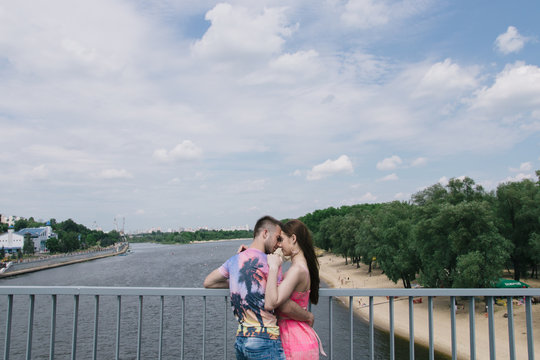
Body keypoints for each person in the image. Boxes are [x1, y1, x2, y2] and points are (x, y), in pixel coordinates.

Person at [204, 215, 314, 360]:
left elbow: (208, 282)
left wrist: (237, 281)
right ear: (265, 234)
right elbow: (276, 301)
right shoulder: (271, 263)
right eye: (277, 238)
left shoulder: (235, 260)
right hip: (265, 339)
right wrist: (308, 316)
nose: (278, 244)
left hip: (242, 338)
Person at [264, 219, 324, 359]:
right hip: (299, 337)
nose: (279, 244)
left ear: (293, 238)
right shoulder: (302, 267)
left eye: (282, 239)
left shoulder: (296, 270)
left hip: (294, 340)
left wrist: (273, 266)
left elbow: (278, 303)